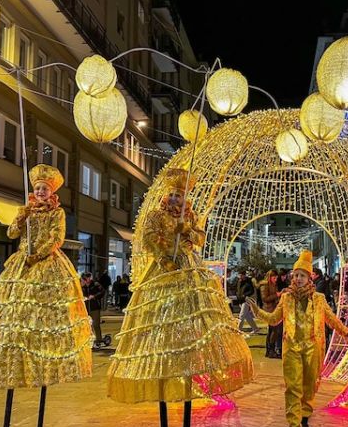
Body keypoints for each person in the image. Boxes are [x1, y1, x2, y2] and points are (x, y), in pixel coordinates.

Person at [107, 168, 253, 403]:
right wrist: (163, 256)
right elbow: (148, 237)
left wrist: (186, 229)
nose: (175, 198)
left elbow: (200, 238)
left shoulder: (190, 216)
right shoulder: (156, 215)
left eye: (179, 195)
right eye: (172, 194)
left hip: (188, 265)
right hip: (164, 266)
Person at [0, 164, 93, 393]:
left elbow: (57, 237)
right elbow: (12, 234)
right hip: (22, 262)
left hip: (47, 262)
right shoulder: (27, 211)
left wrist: (39, 253)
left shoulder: (57, 212)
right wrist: (21, 217)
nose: (42, 192)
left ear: (51, 192)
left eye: (45, 188)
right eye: (38, 188)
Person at [248, 250, 348, 427]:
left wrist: (347, 333)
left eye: (302, 275)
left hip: (313, 347)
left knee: (309, 386)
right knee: (293, 387)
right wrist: (257, 312)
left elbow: (331, 319)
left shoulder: (318, 299)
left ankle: (305, 422)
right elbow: (275, 319)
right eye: (295, 275)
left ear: (310, 277)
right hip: (291, 347)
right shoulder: (286, 298)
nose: (298, 279)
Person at [82, 272, 106, 349]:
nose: (87, 280)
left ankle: (99, 340)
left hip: (95, 307)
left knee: (96, 324)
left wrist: (94, 296)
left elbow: (102, 292)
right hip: (86, 308)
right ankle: (89, 340)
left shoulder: (96, 285)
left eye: (88, 278)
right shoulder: (83, 287)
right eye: (85, 279)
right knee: (88, 325)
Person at [259, 270, 280, 355]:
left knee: (272, 330)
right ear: (270, 277)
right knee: (274, 330)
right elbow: (265, 298)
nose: (275, 279)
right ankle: (270, 350)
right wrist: (277, 295)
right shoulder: (265, 285)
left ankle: (269, 350)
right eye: (274, 278)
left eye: (276, 278)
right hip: (269, 310)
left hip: (274, 308)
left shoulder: (273, 285)